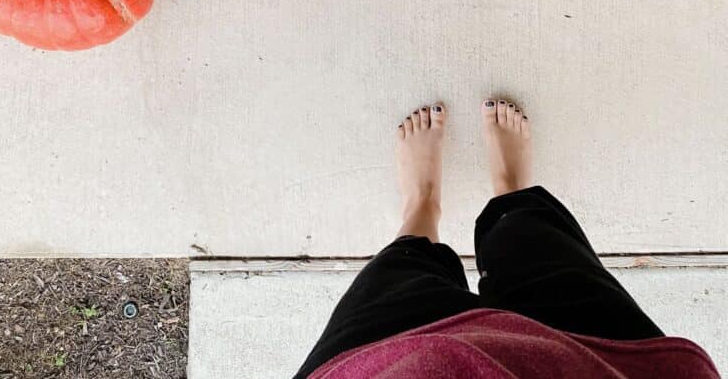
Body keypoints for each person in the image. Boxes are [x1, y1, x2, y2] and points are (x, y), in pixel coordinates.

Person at [294, 99, 721, 378]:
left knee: (403, 275)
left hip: (391, 364)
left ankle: (422, 203)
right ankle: (509, 187)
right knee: (538, 247)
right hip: (586, 363)